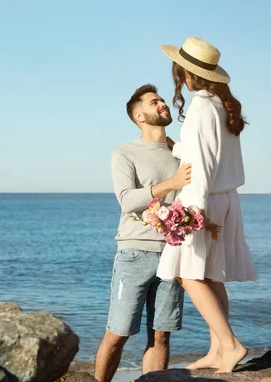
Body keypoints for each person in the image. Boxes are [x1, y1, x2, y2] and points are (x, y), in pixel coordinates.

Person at [157, 37, 258, 373]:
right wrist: (177, 149)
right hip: (226, 199)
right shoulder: (221, 104)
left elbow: (202, 164)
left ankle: (229, 345)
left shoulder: (201, 106)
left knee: (188, 275)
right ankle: (218, 350)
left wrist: (193, 210)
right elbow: (209, 154)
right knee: (213, 275)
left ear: (186, 73)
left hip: (204, 199)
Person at [94, 84, 191, 382]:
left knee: (161, 337)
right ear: (140, 116)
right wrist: (172, 182)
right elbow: (127, 199)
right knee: (118, 333)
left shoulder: (180, 152)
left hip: (173, 254)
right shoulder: (125, 152)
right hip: (135, 253)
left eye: (162, 100)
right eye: (154, 102)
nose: (162, 104)